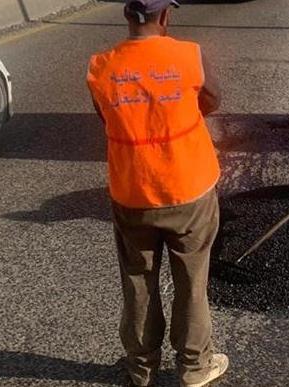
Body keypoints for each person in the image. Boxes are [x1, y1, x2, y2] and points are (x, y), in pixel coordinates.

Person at [86, 1, 228, 386]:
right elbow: (211, 101)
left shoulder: (101, 66)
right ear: (165, 15)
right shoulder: (189, 55)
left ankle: (141, 368)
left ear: (127, 15)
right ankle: (195, 368)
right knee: (191, 279)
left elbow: (105, 114)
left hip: (132, 193)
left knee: (137, 279)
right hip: (189, 189)